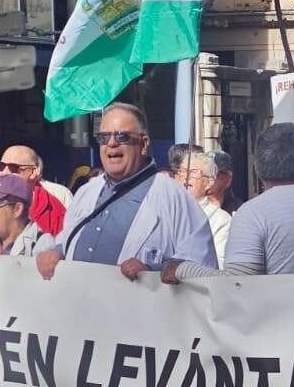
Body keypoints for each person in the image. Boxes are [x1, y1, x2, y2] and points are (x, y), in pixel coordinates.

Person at [37, 104, 217, 281]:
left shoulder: (175, 197)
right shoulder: (86, 192)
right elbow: (66, 238)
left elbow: (202, 271)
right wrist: (56, 251)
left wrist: (154, 271)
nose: (112, 143)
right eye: (103, 137)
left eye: (122, 137)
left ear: (144, 143)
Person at [164, 124, 294, 281]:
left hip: (272, 323)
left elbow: (237, 283)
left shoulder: (252, 214)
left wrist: (181, 269)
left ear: (259, 172)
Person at [0, 145, 68, 235]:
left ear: (34, 172)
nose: (4, 173)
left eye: (13, 168)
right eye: (1, 166)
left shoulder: (53, 208)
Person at [180, 150, 234, 262]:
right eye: (183, 171)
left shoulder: (221, 219)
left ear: (209, 182)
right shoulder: (168, 211)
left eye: (195, 173)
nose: (186, 177)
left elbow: (219, 265)